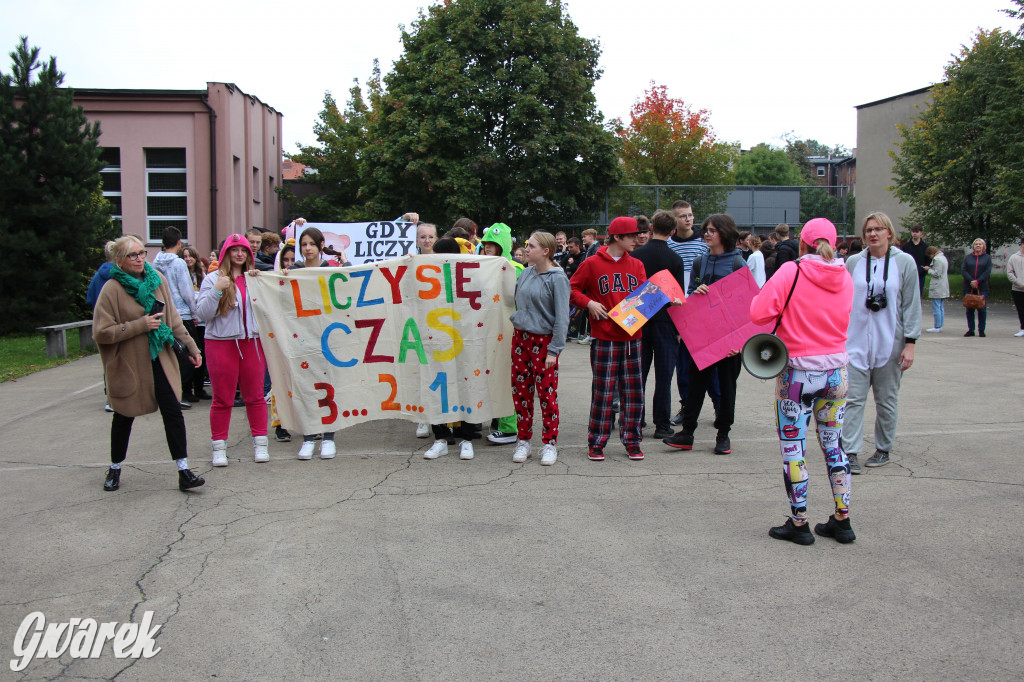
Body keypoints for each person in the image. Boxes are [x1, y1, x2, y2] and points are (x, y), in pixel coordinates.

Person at [750, 218, 856, 545]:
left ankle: (799, 523)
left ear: (802, 244)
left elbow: (758, 312)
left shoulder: (791, 271)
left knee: (794, 450)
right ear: (833, 243)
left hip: (797, 374)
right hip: (837, 374)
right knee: (834, 447)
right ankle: (842, 520)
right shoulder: (845, 275)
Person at [92, 234, 205, 492]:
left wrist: (191, 346)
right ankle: (115, 467)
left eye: (142, 252)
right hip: (131, 364)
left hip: (160, 358)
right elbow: (101, 332)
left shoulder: (157, 280)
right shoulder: (112, 288)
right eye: (132, 255)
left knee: (173, 412)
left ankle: (183, 470)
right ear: (119, 261)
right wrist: (137, 326)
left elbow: (173, 318)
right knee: (124, 415)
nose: (139, 259)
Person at [842, 212, 921, 474]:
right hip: (856, 343)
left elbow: (911, 305)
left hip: (891, 343)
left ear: (889, 233)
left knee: (886, 399)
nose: (873, 234)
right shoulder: (853, 262)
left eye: (878, 229)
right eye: (868, 230)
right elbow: (843, 301)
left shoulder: (905, 262)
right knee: (852, 399)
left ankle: (883, 448)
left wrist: (910, 342)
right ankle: (850, 451)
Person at [664, 214, 746, 455]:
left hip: (730, 338)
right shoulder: (700, 261)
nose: (707, 234)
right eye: (706, 230)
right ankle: (687, 433)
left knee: (727, 387)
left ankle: (723, 435)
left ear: (725, 233)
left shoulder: (737, 263)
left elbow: (747, 307)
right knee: (695, 385)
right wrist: (694, 293)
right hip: (704, 335)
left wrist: (741, 342)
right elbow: (689, 296)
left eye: (712, 230)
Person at [569, 216, 647, 461]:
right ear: (618, 237)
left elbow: (645, 297)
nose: (638, 239)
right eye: (633, 235)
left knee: (633, 392)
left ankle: (632, 440)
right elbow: (571, 289)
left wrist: (666, 298)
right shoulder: (592, 263)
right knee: (603, 391)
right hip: (604, 337)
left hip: (633, 337)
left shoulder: (637, 265)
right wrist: (589, 302)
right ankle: (597, 441)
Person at [197, 234, 269, 465]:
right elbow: (203, 314)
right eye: (234, 250)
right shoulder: (212, 279)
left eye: (244, 250)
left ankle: (260, 443)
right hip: (221, 343)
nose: (240, 254)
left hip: (252, 342)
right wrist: (217, 289)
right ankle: (219, 447)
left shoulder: (254, 278)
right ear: (226, 253)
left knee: (256, 396)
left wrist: (268, 281)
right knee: (222, 398)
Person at [284, 227, 351, 458]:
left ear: (321, 246)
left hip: (328, 336)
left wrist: (346, 262)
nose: (308, 248)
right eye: (304, 244)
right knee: (305, 388)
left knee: (329, 386)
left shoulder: (330, 270)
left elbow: (354, 281)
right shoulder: (292, 271)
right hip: (301, 337)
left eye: (312, 243)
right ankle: (309, 437)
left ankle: (329, 437)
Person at [509, 231, 571, 466]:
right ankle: (523, 440)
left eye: (531, 246)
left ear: (545, 251)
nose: (526, 249)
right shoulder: (525, 273)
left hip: (543, 343)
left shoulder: (557, 278)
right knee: (521, 392)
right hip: (520, 340)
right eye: (527, 245)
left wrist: (554, 350)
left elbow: (561, 318)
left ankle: (549, 444)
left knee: (546, 394)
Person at [422, 237, 480, 461]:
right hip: (436, 343)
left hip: (463, 343)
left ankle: (466, 439)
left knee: (465, 389)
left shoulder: (467, 277)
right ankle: (440, 438)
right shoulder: (428, 277)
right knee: (436, 388)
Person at [632, 209, 687, 439]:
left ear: (651, 228)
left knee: (638, 374)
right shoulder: (675, 259)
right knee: (664, 376)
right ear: (673, 231)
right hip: (665, 321)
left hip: (640, 320)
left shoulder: (637, 256)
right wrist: (678, 330)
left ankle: (635, 420)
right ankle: (662, 424)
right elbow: (678, 298)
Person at [667, 200, 717, 428]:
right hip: (680, 307)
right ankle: (686, 406)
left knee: (711, 360)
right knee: (683, 363)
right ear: (674, 220)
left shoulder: (703, 242)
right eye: (683, 216)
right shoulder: (669, 245)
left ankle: (719, 405)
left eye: (690, 215)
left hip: (703, 307)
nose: (688, 219)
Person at [479, 223, 524, 446]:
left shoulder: (515, 267)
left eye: (493, 244)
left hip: (508, 330)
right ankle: (499, 420)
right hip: (486, 329)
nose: (488, 248)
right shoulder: (479, 265)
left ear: (503, 245)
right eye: (486, 244)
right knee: (491, 376)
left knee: (507, 379)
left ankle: (509, 427)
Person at [152, 226, 198, 409]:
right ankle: (182, 392)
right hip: (181, 312)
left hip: (163, 312)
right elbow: (187, 290)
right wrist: (194, 312)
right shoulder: (179, 263)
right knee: (186, 354)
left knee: (170, 354)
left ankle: (170, 391)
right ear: (179, 243)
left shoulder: (154, 263)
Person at [87, 240, 118, 412]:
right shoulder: (119, 276)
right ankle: (117, 397)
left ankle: (109, 398)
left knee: (107, 362)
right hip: (117, 323)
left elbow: (91, 298)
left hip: (101, 324)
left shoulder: (98, 276)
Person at [180, 245, 211, 401]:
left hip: (202, 321)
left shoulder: (201, 275)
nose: (188, 259)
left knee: (202, 354)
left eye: (190, 256)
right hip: (189, 319)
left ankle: (199, 388)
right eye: (185, 256)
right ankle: (187, 389)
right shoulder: (181, 274)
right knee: (190, 354)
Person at [962, 238, 992, 338]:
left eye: (980, 244)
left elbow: (987, 272)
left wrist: (977, 281)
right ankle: (971, 329)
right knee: (969, 308)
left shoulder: (987, 258)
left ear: (983, 246)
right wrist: (971, 280)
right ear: (973, 246)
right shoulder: (968, 258)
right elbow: (964, 270)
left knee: (982, 309)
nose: (978, 246)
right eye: (976, 244)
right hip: (969, 286)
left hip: (982, 286)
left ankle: (981, 330)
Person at [923, 245, 949, 332]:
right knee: (941, 306)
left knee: (936, 306)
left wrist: (928, 269)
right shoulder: (943, 258)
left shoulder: (937, 259)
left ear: (932, 253)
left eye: (930, 255)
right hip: (943, 285)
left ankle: (937, 326)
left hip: (937, 286)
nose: (930, 257)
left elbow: (937, 274)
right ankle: (940, 325)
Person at [902, 225, 930, 297]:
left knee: (918, 295)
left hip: (921, 275)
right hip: (908, 274)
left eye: (916, 232)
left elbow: (928, 260)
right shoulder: (906, 246)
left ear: (921, 233)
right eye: (913, 232)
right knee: (908, 295)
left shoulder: (925, 247)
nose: (914, 234)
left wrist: (925, 269)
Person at [1008, 236, 1024, 337]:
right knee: (1021, 309)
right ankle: (1022, 328)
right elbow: (1010, 273)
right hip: (1018, 289)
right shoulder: (1014, 257)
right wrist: (1019, 283)